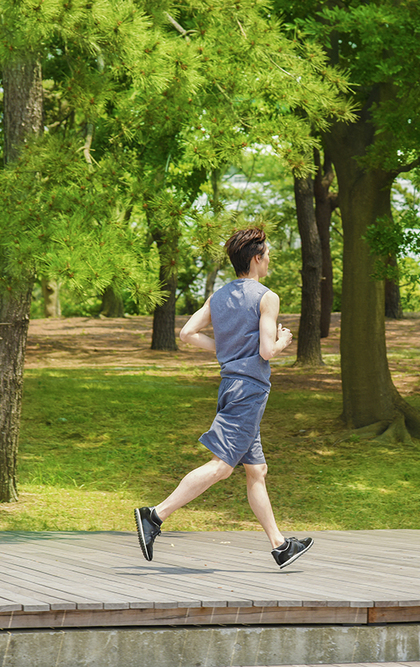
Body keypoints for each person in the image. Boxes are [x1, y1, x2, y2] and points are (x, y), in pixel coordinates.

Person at [134, 228, 314, 569]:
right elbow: (266, 350)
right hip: (249, 390)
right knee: (221, 467)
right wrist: (284, 341)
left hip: (231, 385)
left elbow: (187, 334)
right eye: (268, 253)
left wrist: (229, 348)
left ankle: (280, 546)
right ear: (257, 258)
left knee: (257, 470)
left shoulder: (219, 296)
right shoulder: (266, 297)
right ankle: (154, 516)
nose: (270, 259)